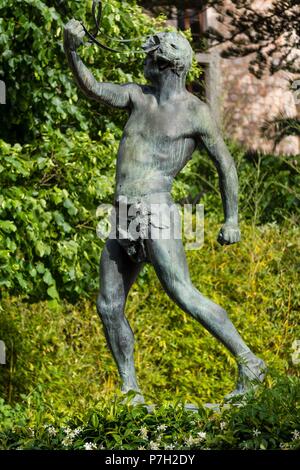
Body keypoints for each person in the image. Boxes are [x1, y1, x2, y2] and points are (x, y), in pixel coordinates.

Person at [64, 19, 266, 404]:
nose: (144, 63)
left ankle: (249, 361)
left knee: (181, 290)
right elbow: (92, 88)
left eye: (149, 58)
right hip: (123, 211)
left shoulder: (195, 113)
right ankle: (130, 389)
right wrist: (71, 50)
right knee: (108, 305)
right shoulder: (137, 97)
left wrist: (232, 218)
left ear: (166, 63)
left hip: (156, 206)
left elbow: (225, 165)